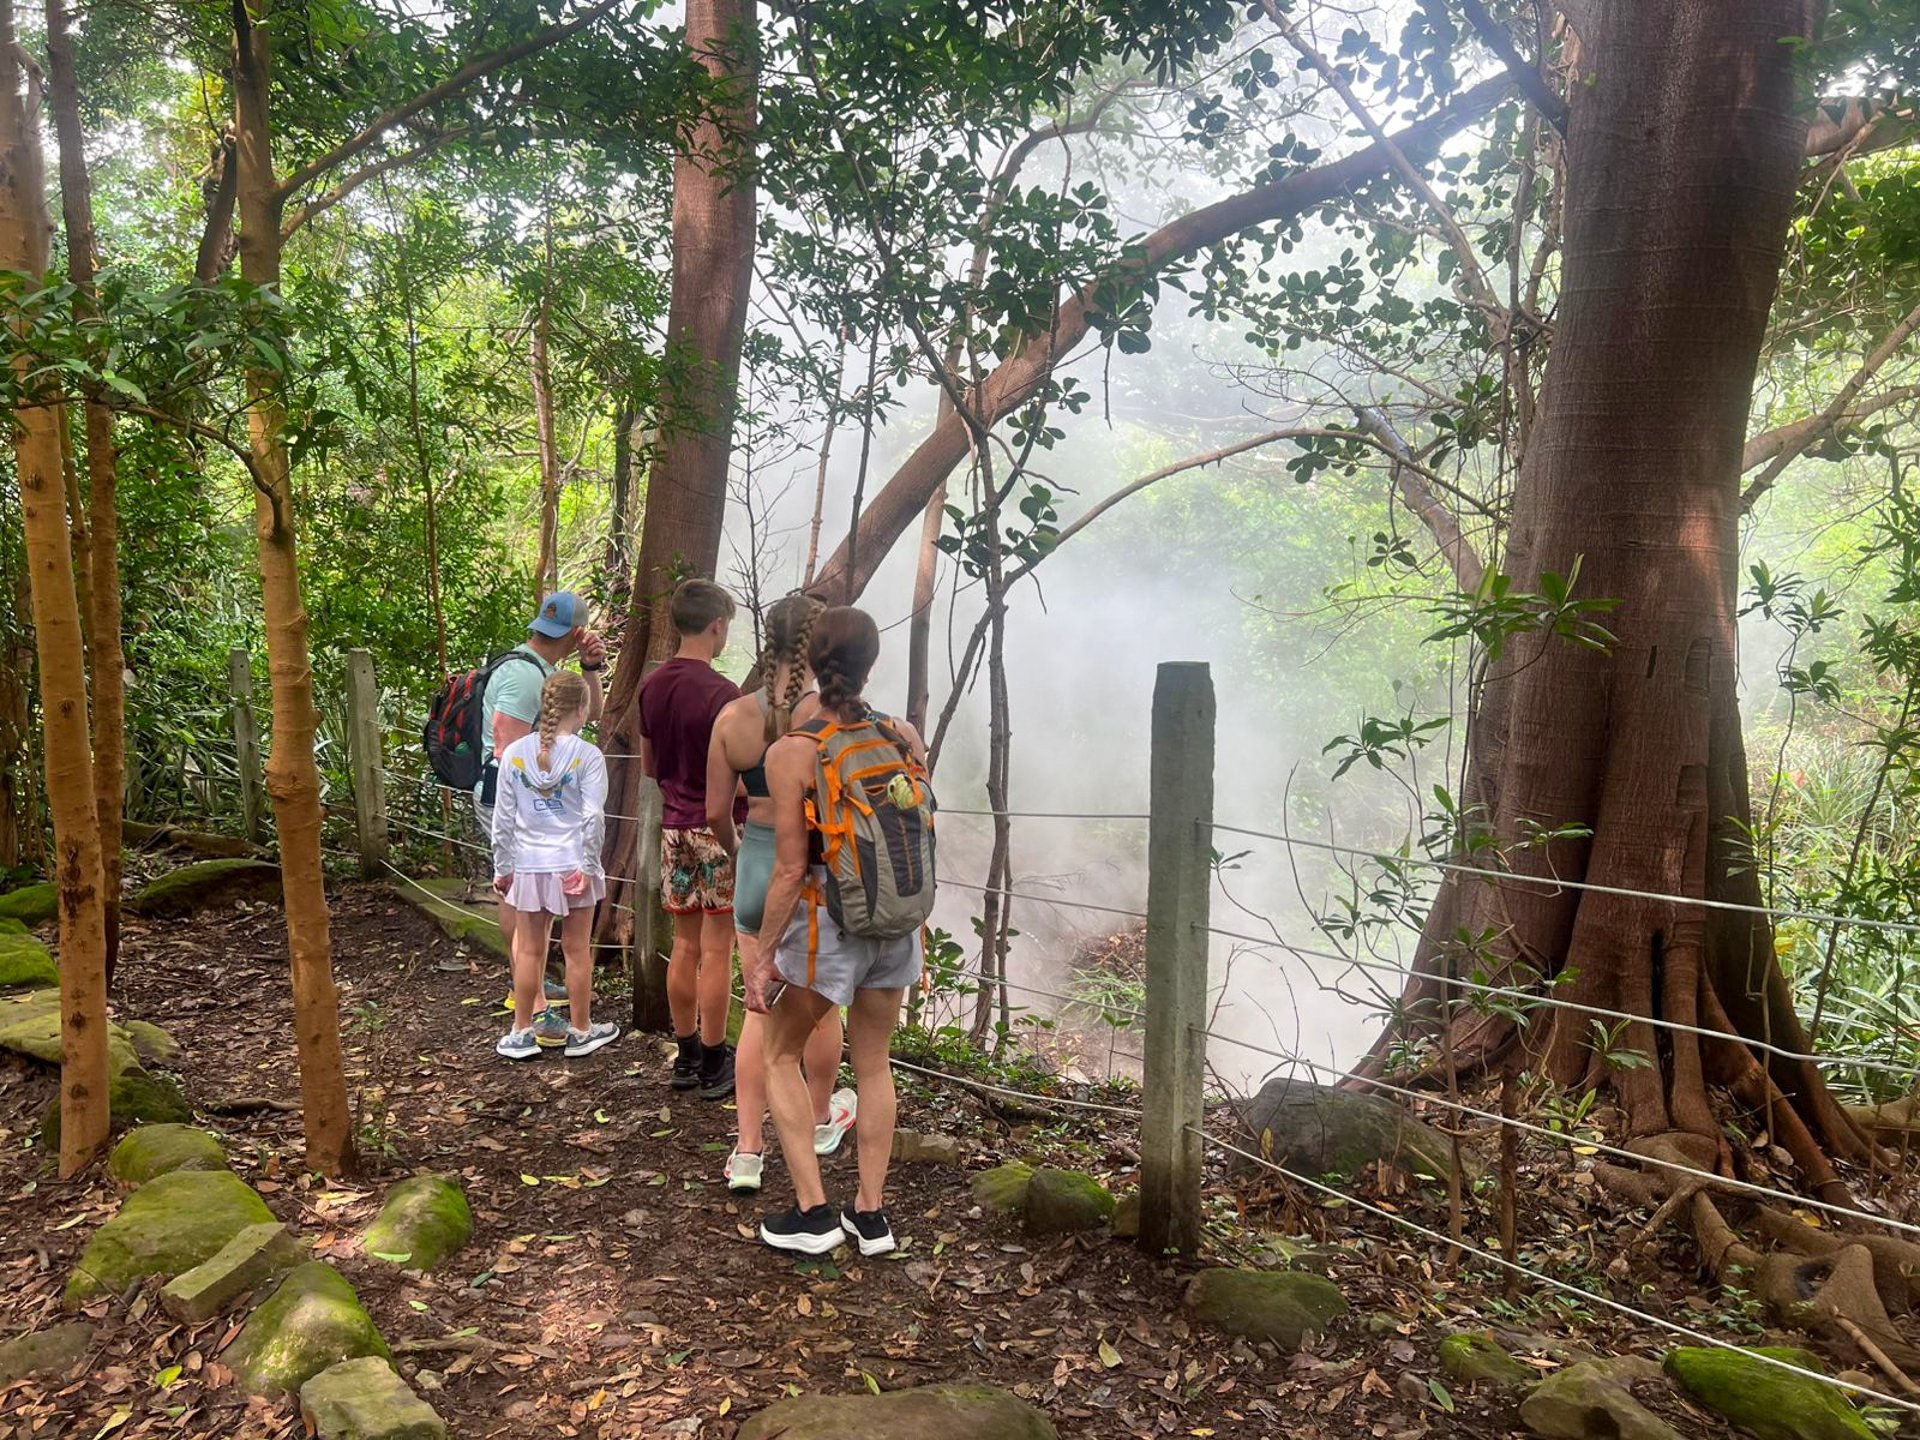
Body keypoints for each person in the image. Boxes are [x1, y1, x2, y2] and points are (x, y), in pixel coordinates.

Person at [745, 607, 929, 1256]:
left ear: (811, 664)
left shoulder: (793, 752)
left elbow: (790, 869)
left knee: (779, 1054)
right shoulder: (902, 735)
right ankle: (871, 1217)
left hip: (829, 928)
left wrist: (763, 957)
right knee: (874, 1064)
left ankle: (814, 1213)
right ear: (870, 665)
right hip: (896, 923)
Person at [706, 594, 855, 1194]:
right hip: (812, 868)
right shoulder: (831, 716)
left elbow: (716, 811)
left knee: (757, 1011)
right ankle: (818, 1119)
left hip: (757, 863)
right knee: (821, 1009)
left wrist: (742, 850)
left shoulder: (733, 717)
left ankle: (747, 1150)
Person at [476, 590, 606, 1046]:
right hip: (521, 812)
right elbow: (509, 749)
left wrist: (591, 668)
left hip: (531, 822)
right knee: (524, 912)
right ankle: (534, 1010)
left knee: (533, 925)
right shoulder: (523, 675)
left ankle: (528, 1007)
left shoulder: (547, 673)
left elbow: (588, 715)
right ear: (577, 632)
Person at [638, 577, 743, 1099]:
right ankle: (717, 1059)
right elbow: (739, 776)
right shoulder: (724, 694)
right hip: (719, 829)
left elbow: (649, 766)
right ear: (717, 626)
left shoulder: (651, 687)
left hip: (675, 828)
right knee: (718, 949)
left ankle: (686, 1056)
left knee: (685, 943)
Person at [491, 671, 619, 1061]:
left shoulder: (515, 754)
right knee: (577, 950)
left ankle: (521, 1032)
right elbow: (593, 816)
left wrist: (503, 867)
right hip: (573, 865)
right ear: (581, 710)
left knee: (530, 950)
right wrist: (589, 866)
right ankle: (581, 1030)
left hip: (529, 865)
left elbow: (503, 819)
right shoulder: (588, 756)